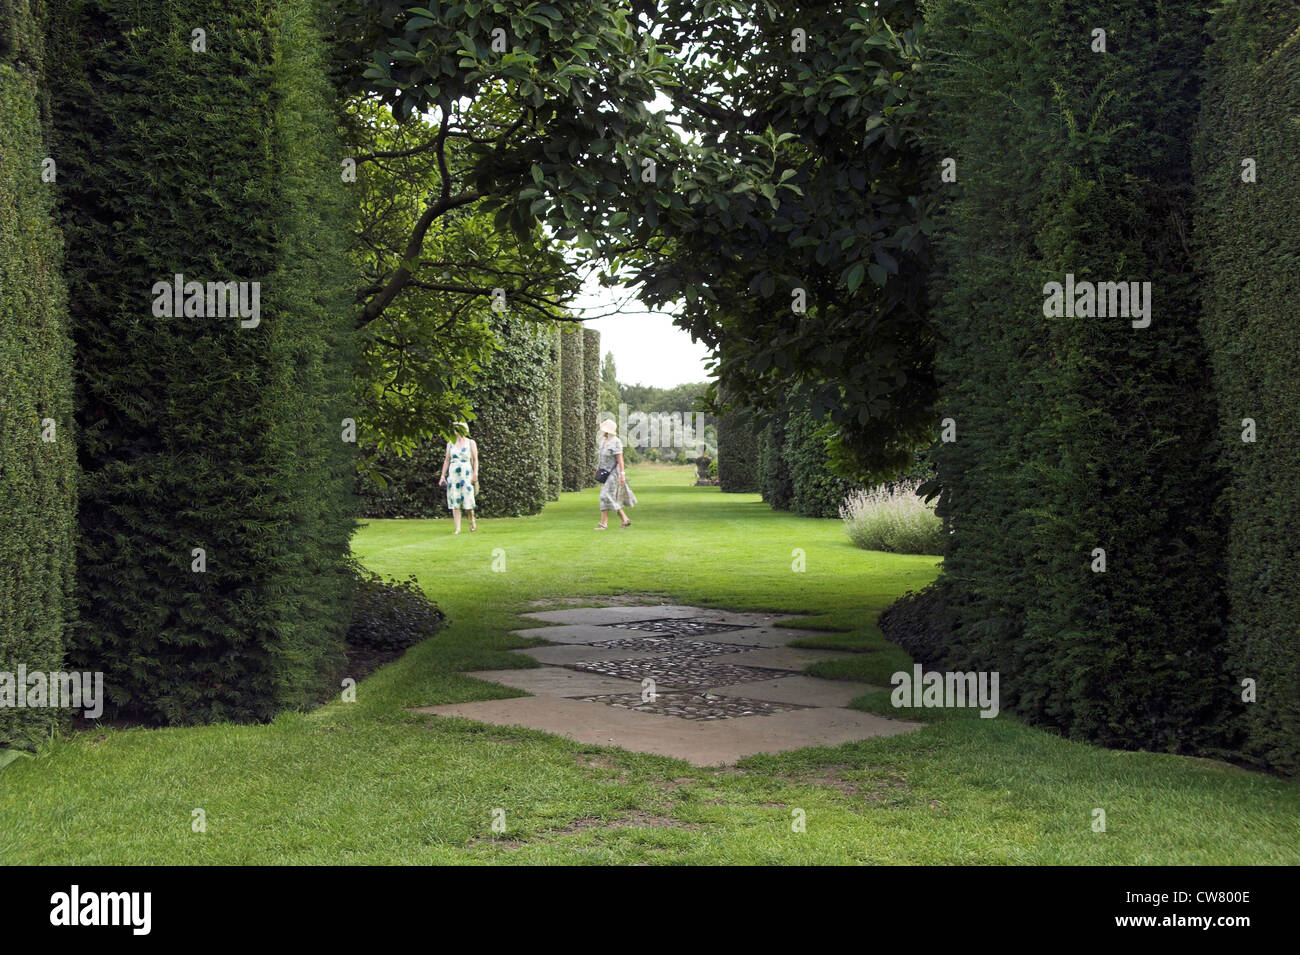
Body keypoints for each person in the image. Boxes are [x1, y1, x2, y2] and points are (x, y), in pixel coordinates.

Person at [594, 418, 636, 529]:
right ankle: (624, 520)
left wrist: (622, 474)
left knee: (605, 495)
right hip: (604, 473)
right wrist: (597, 469)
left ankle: (604, 523)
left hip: (613, 474)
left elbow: (620, 460)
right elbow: (600, 458)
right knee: (610, 497)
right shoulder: (603, 441)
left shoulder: (616, 442)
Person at [438, 422, 478, 534]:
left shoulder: (471, 443)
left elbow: (475, 460)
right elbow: (447, 460)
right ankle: (457, 528)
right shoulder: (450, 444)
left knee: (468, 502)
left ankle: (472, 520)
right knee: (455, 501)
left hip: (466, 474)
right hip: (453, 475)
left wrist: (475, 473)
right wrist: (442, 475)